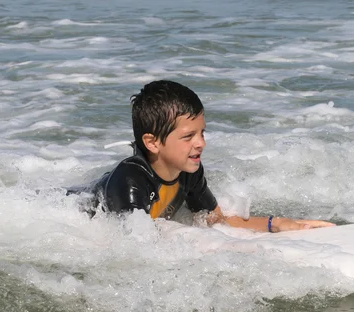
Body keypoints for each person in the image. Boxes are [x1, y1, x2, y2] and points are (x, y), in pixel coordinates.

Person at [69, 80, 335, 232]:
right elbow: (132, 249)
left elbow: (215, 221)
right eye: (188, 137)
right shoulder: (130, 182)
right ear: (152, 142)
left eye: (202, 133)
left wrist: (275, 224)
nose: (200, 144)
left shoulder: (189, 172)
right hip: (70, 211)